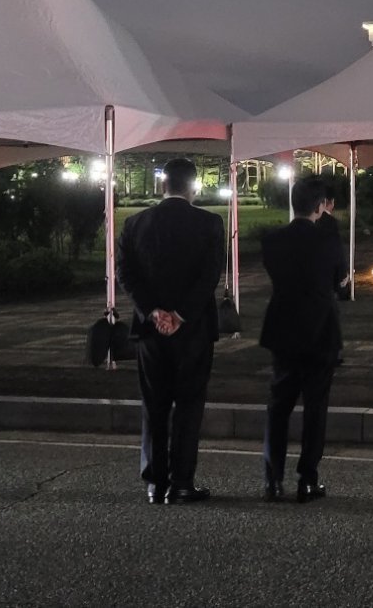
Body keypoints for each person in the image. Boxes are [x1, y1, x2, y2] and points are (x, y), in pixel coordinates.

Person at [117, 158, 225, 505]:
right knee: (189, 405)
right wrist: (180, 314)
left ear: (162, 185)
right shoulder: (209, 223)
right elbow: (210, 276)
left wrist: (153, 311)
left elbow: (126, 275)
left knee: (154, 404)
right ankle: (181, 482)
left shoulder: (135, 223)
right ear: (193, 186)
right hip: (194, 329)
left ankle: (155, 481)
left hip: (150, 329)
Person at [259, 180, 346, 503]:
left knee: (279, 405)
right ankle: (307, 479)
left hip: (283, 326)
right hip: (321, 329)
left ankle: (273, 479)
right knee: (315, 408)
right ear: (321, 206)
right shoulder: (328, 240)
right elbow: (339, 279)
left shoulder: (272, 240)